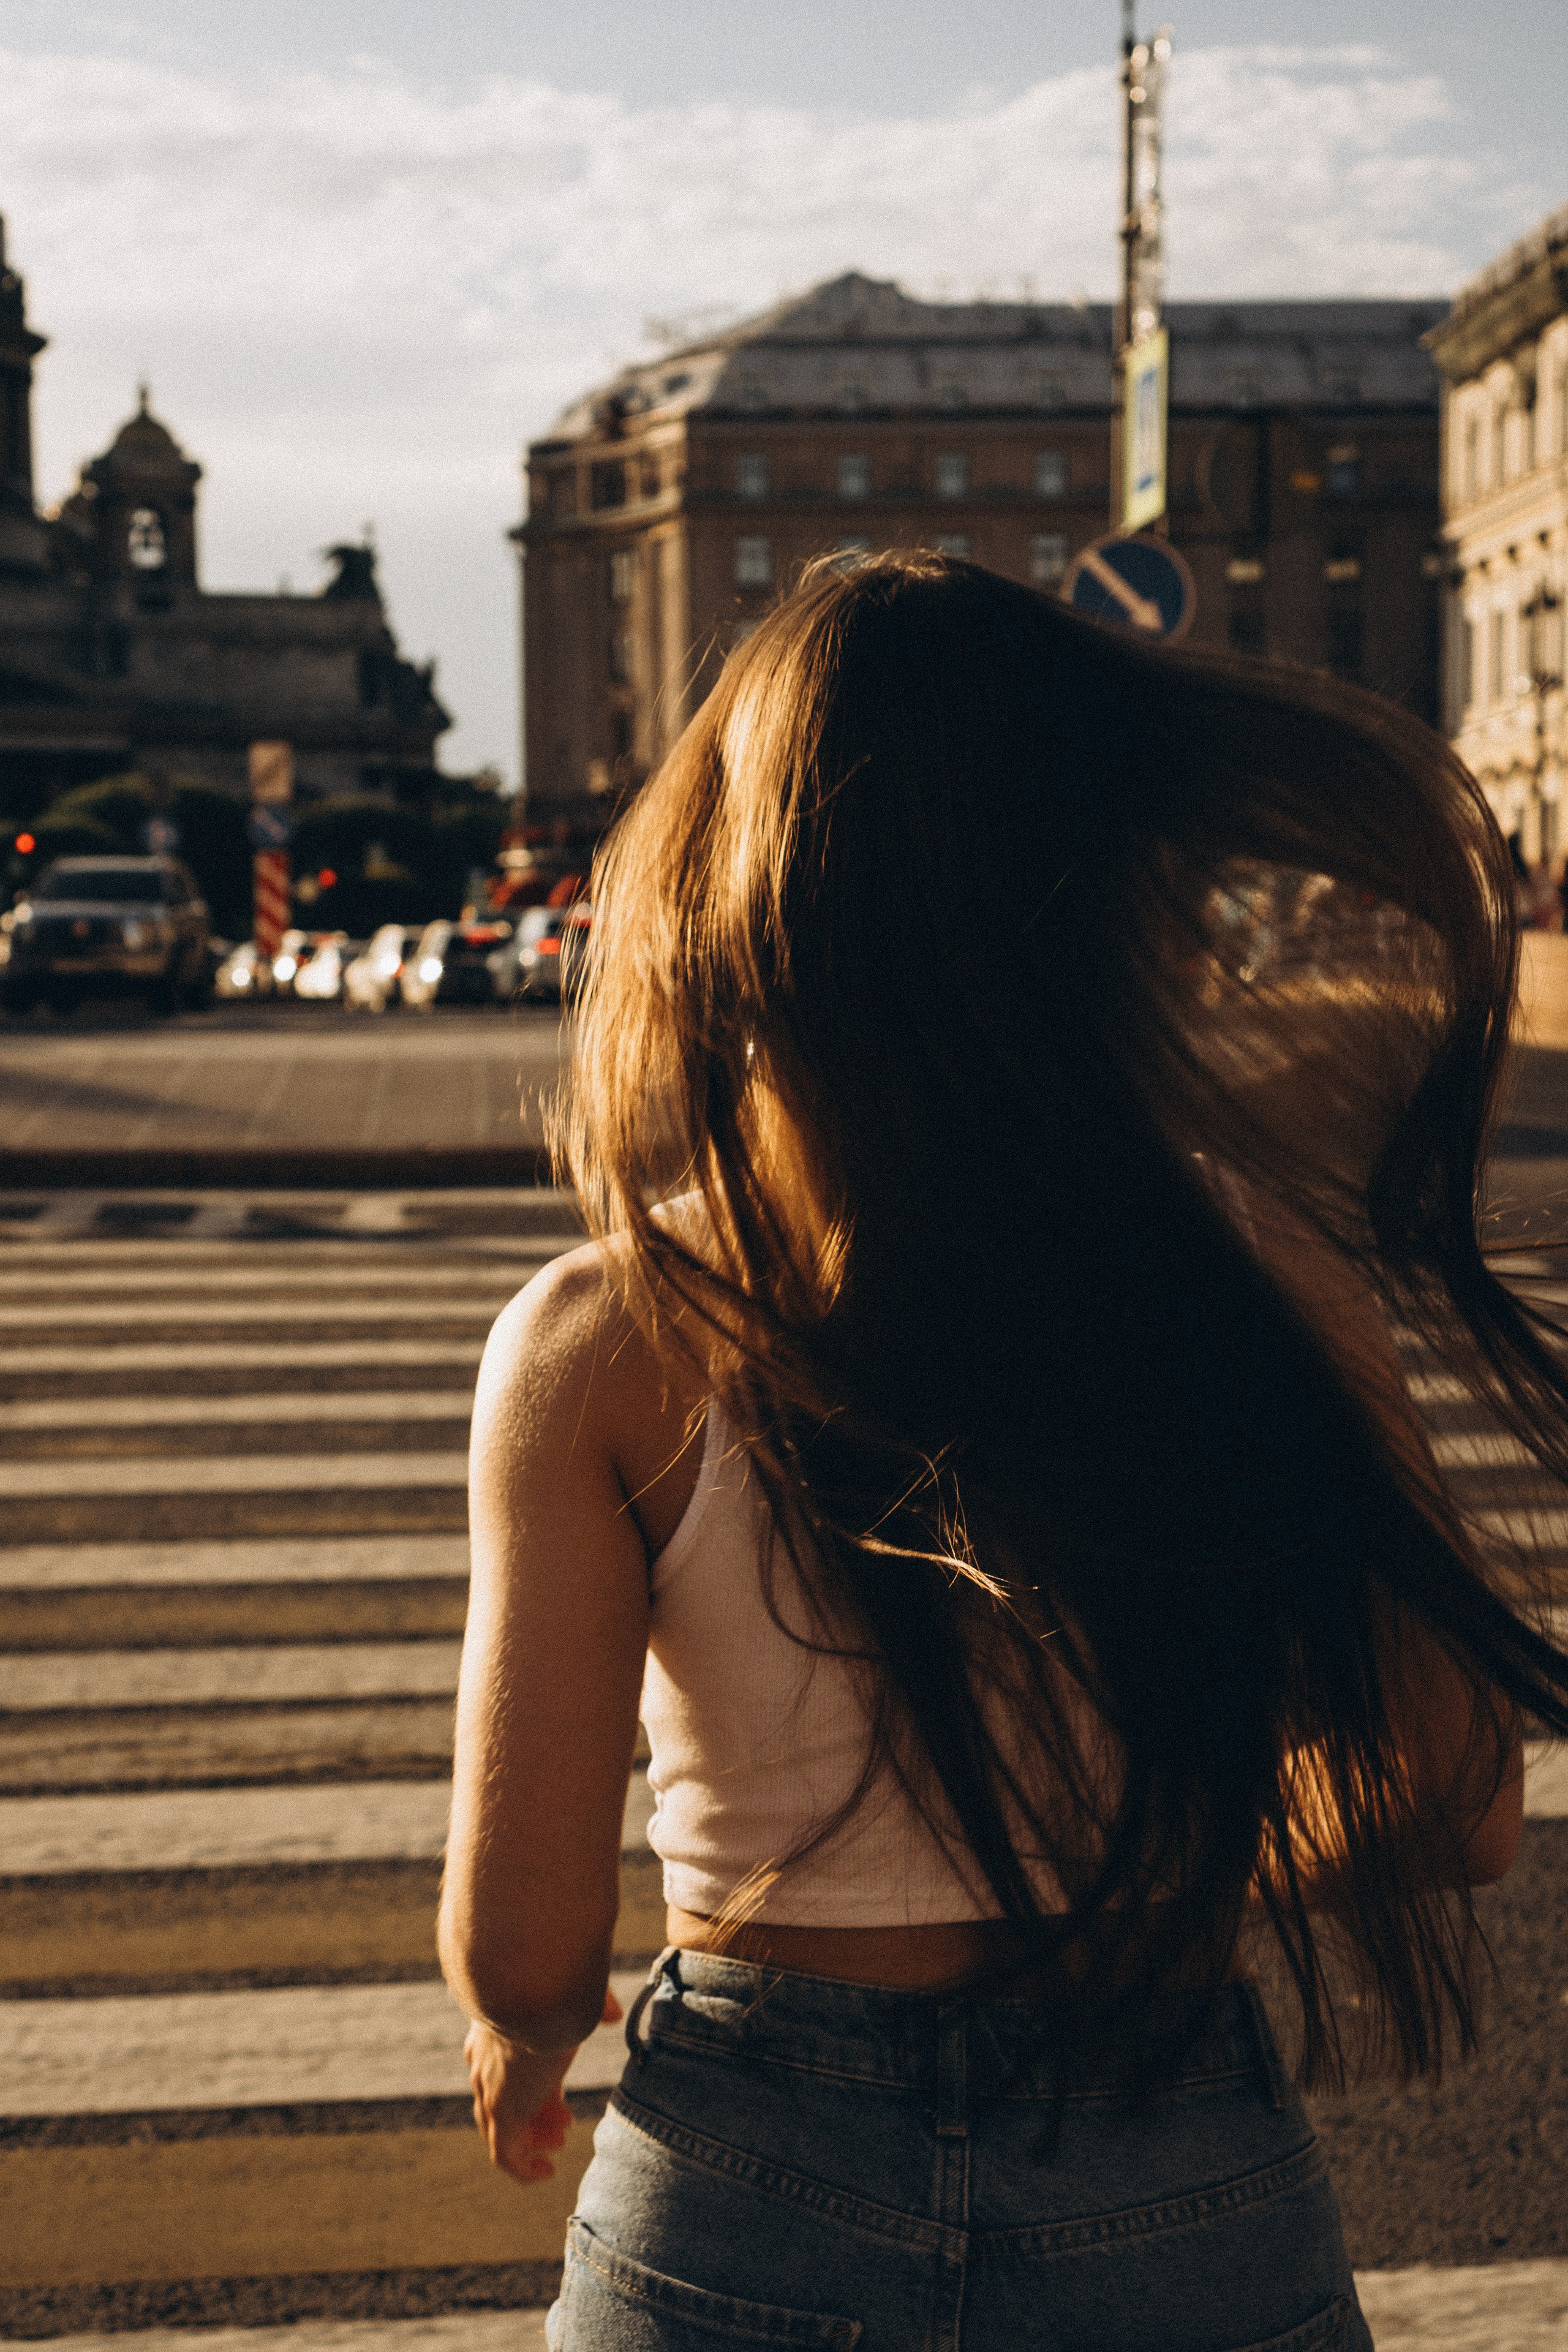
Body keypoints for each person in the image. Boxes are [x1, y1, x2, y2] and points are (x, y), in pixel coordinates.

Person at [440, 554, 1568, 2350]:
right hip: (1175, 2155)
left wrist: (515, 2028)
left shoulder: (604, 1338)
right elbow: (1451, 1788)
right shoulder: (1266, 1266)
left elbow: (528, 1947)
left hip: (743, 2191)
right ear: (1106, 891)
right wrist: (1167, 1855)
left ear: (728, 901)